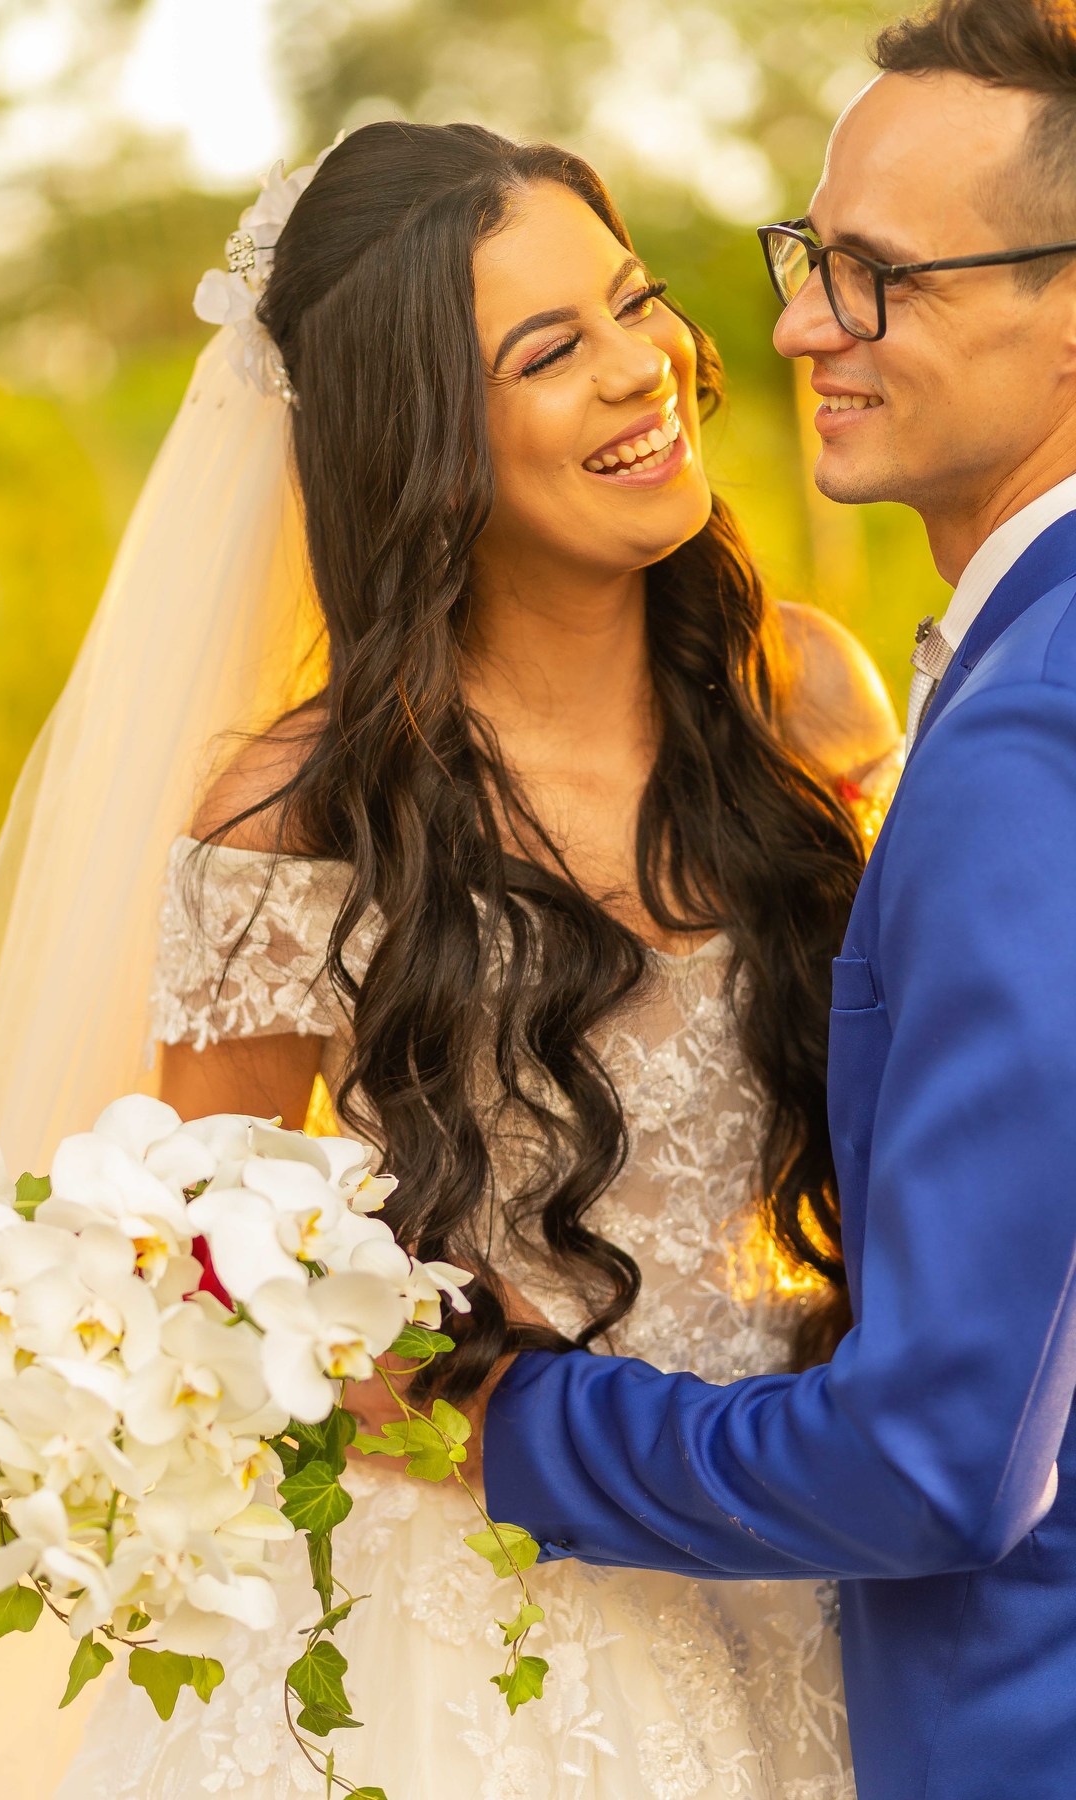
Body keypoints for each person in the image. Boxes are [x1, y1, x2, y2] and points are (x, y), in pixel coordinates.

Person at [38, 121, 904, 1797]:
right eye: (550, 349)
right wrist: (437, 1383)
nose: (645, 368)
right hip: (464, 1604)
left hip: (794, 1520)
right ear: (423, 436)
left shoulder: (807, 702)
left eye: (635, 302)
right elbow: (200, 1250)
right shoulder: (297, 813)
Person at [476, 5, 1076, 1798]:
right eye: (813, 256)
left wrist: (501, 1414)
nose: (803, 322)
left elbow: (937, 1464)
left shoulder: (1030, 740)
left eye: (884, 276)